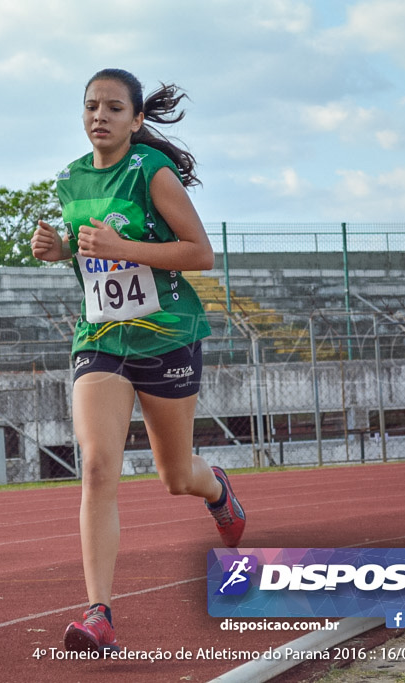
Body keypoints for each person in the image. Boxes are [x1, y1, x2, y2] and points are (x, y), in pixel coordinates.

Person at [30, 68, 246, 654]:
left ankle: (217, 489)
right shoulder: (73, 179)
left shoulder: (152, 172)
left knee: (175, 477)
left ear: (137, 119)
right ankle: (99, 611)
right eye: (91, 106)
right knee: (98, 465)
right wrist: (61, 253)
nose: (100, 116)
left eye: (114, 108)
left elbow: (199, 253)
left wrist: (123, 248)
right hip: (100, 337)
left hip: (166, 336)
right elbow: (90, 259)